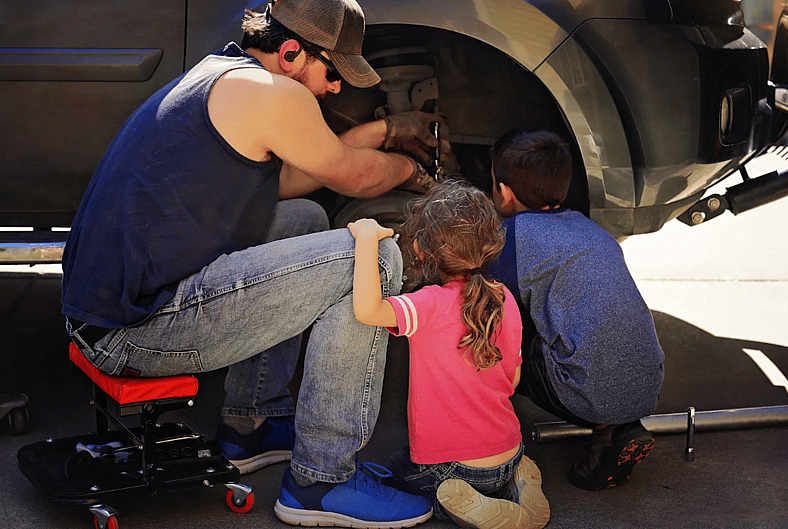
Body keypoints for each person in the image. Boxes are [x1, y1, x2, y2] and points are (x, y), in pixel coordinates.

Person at [60, 0, 450, 525]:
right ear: (290, 53)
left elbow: (290, 179)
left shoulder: (226, 77)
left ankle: (252, 424)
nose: (337, 88)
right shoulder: (277, 94)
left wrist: (386, 131)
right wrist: (416, 172)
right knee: (374, 257)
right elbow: (354, 176)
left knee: (304, 218)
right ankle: (321, 481)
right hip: (133, 332)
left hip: (107, 314)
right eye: (332, 71)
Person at [348, 180, 550, 529]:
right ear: (490, 247)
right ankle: (512, 483)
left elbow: (367, 310)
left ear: (420, 251)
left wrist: (366, 240)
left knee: (390, 479)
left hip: (452, 467)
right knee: (408, 463)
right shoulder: (503, 298)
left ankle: (459, 506)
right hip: (508, 449)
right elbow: (513, 379)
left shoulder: (428, 305)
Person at [487, 129, 665, 491]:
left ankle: (488, 437)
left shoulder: (512, 236)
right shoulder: (591, 229)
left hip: (583, 393)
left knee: (493, 332)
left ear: (504, 192)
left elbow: (489, 306)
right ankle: (619, 427)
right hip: (648, 383)